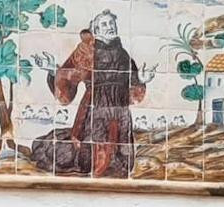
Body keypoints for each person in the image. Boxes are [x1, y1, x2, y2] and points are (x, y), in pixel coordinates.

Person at [29, 10, 156, 178]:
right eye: (104, 24)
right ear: (95, 30)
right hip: (94, 107)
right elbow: (70, 77)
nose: (110, 27)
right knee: (89, 154)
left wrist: (141, 78)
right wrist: (54, 70)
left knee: (121, 159)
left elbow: (132, 89)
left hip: (120, 111)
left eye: (112, 23)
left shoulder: (124, 55)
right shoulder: (87, 51)